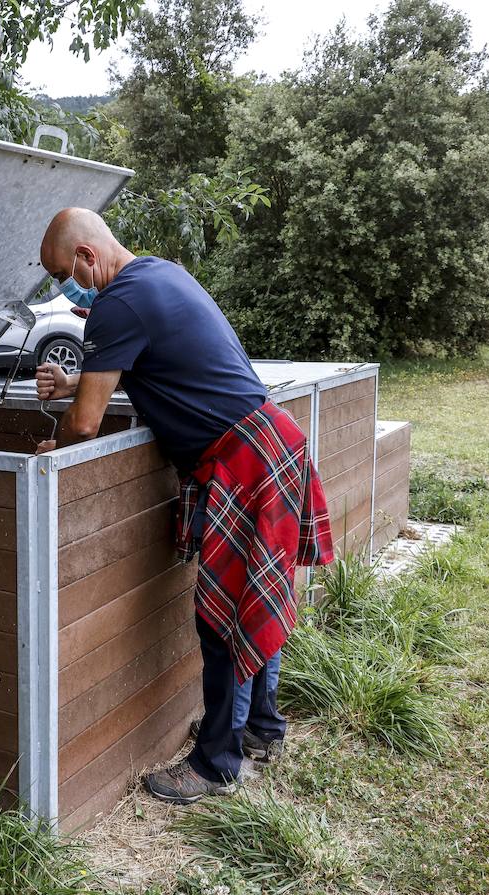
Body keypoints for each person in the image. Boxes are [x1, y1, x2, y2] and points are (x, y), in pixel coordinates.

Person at [34, 207, 335, 804]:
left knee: (222, 617)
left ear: (88, 257)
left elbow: (87, 426)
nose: (65, 289)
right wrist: (76, 381)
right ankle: (260, 730)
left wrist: (56, 438)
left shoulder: (117, 302)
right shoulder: (157, 274)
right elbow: (155, 363)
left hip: (241, 458)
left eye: (65, 274)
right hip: (268, 440)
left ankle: (216, 763)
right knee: (255, 596)